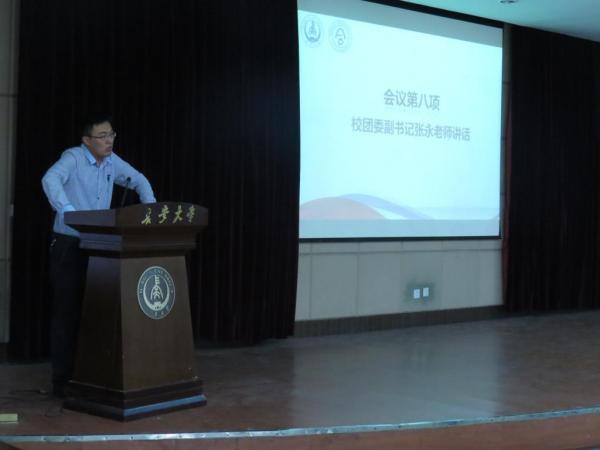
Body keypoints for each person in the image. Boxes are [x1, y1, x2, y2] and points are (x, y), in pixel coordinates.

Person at [41, 114, 156, 397]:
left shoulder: (113, 162)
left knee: (95, 311)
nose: (109, 141)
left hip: (99, 244)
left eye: (111, 135)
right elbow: (50, 178)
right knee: (67, 313)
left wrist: (150, 209)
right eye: (102, 136)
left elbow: (139, 180)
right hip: (69, 244)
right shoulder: (73, 157)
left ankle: (89, 376)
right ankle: (62, 382)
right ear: (87, 141)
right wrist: (68, 211)